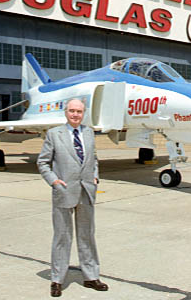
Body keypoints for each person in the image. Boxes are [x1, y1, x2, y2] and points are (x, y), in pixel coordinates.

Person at [37, 98, 109, 297]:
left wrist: (95, 176)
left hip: (86, 191)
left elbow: (93, 158)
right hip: (64, 191)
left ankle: (91, 276)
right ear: (65, 112)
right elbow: (43, 163)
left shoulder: (88, 133)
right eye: (72, 111)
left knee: (87, 235)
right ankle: (57, 279)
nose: (75, 115)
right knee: (62, 236)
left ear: (83, 113)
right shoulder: (54, 134)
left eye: (79, 111)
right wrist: (54, 181)